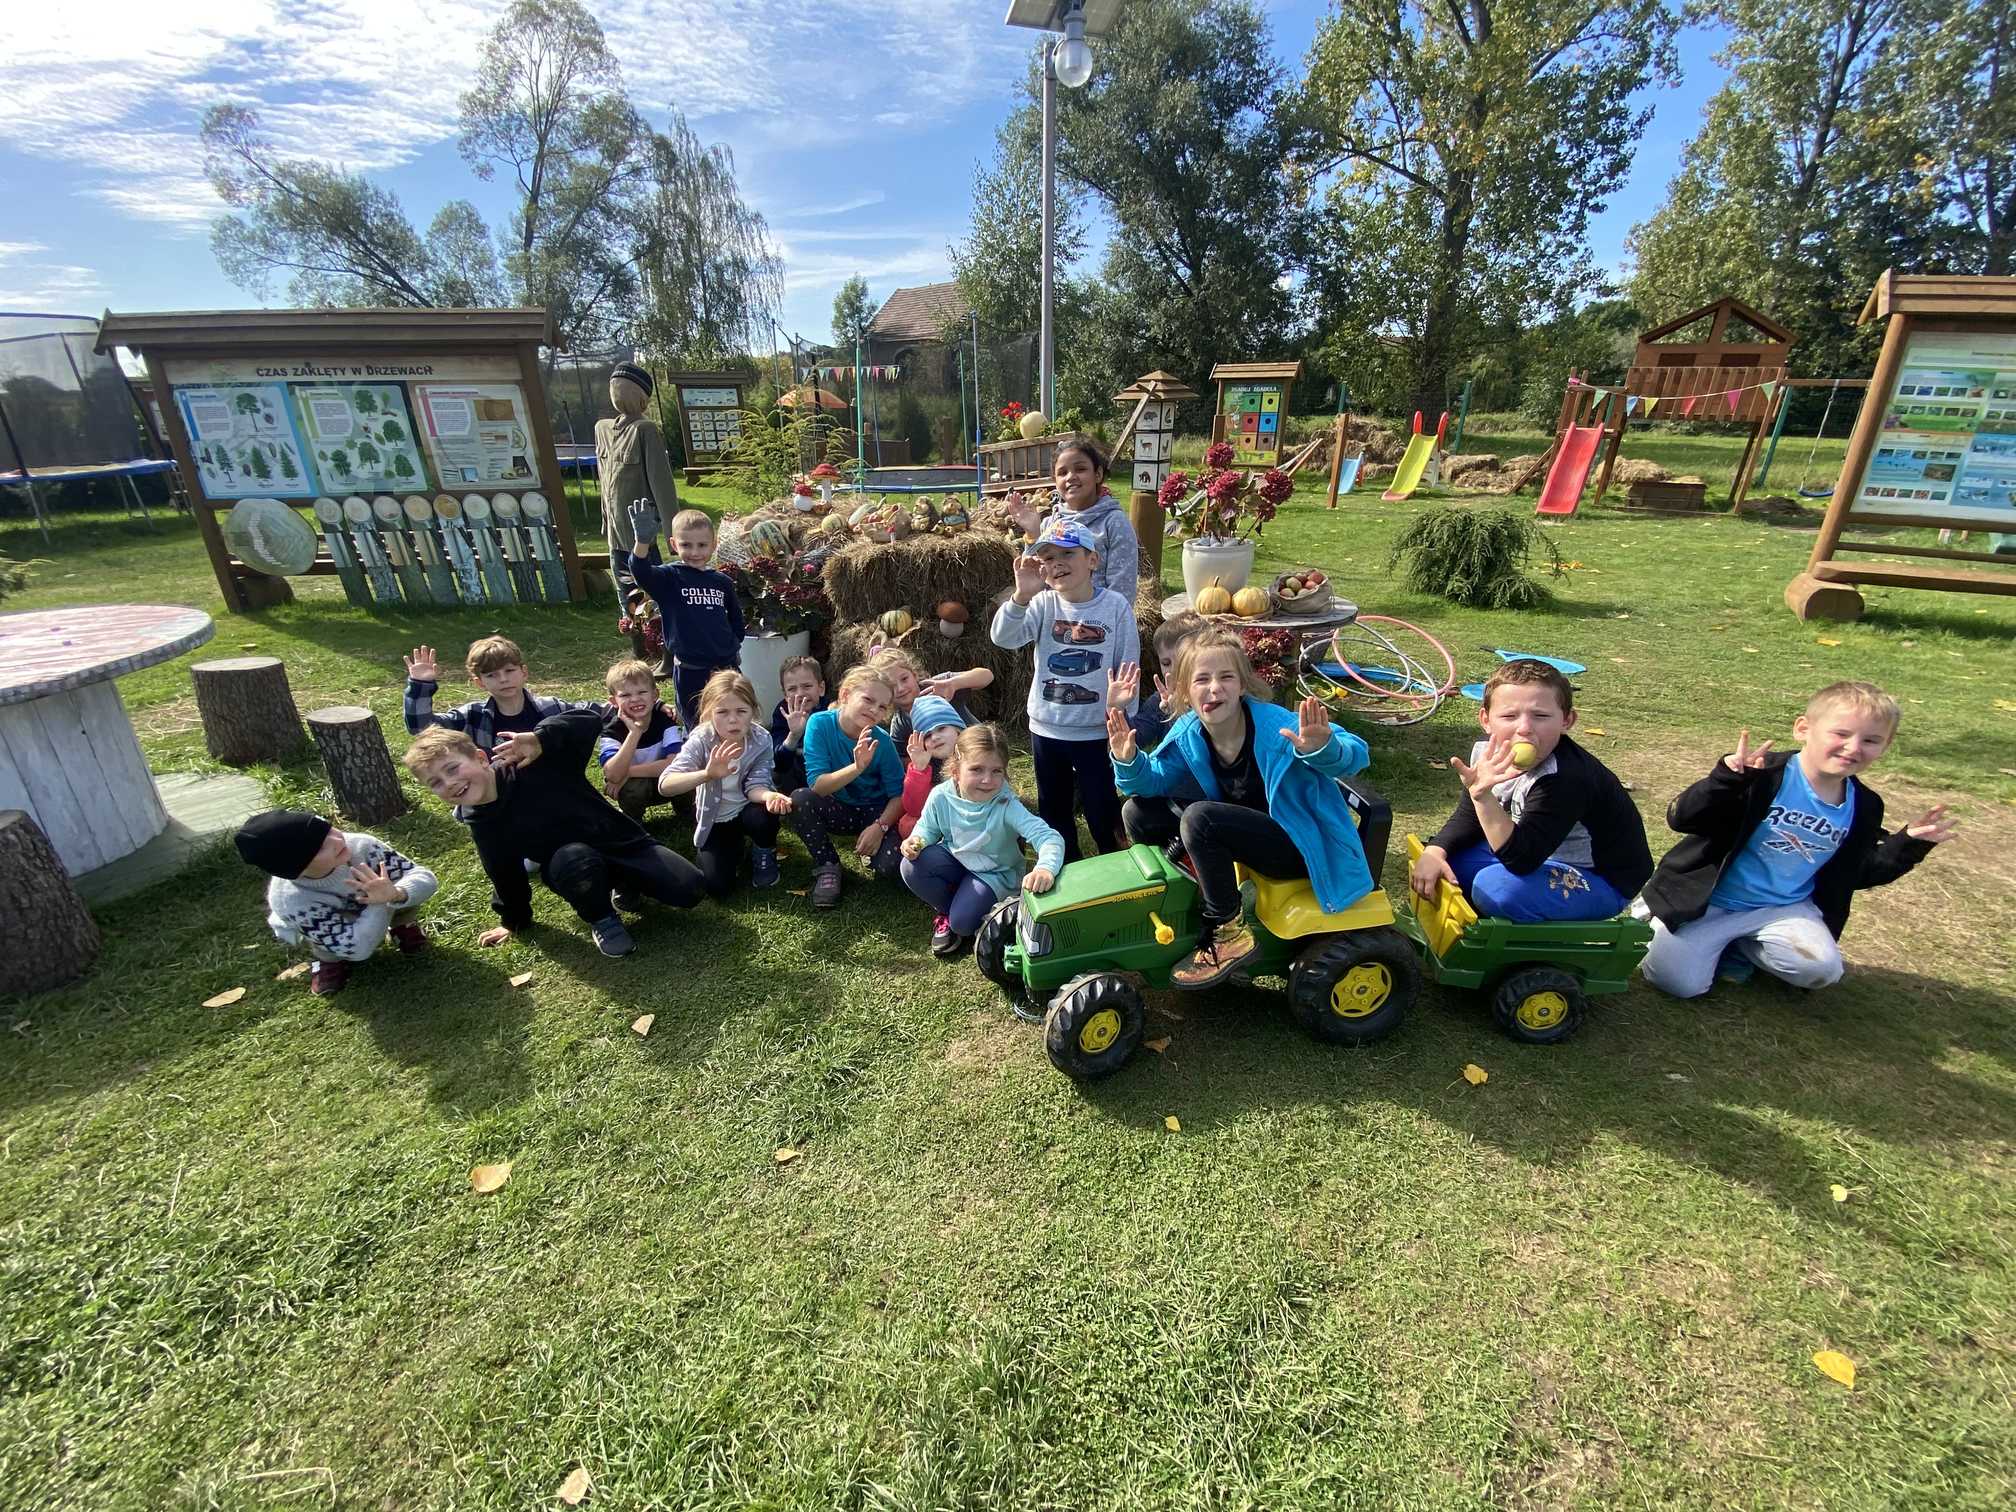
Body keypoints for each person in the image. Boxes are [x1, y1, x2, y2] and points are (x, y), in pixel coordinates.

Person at [1637, 681, 1955, 999]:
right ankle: (1665, 919)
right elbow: (1683, 819)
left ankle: (1743, 946)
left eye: (1871, 740)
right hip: (1705, 903)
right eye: (1841, 734)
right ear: (1803, 729)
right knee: (1678, 985)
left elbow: (1855, 872)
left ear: (1885, 746)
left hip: (1780, 909)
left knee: (1821, 970)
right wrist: (1726, 781)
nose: (1854, 747)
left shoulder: (1865, 805)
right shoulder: (1761, 775)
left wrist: (1908, 844)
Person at [1105, 628, 1376, 989]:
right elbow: (1152, 781)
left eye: (1226, 677)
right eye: (1202, 679)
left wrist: (1322, 748)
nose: (1214, 688)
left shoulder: (1278, 727)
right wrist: (1128, 761)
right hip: (1249, 835)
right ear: (1185, 691)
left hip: (1300, 845)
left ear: (1243, 685)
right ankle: (1181, 901)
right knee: (1138, 812)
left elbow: (1357, 755)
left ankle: (1227, 931)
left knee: (1201, 818)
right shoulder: (1190, 731)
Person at [402, 716, 704, 959]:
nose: (450, 783)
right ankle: (602, 918)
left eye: (452, 768)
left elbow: (587, 721)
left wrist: (540, 738)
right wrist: (513, 920)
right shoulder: (482, 821)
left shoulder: (532, 762)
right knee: (574, 857)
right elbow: (503, 872)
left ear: (481, 758)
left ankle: (626, 885)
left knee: (690, 890)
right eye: (436, 783)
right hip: (571, 866)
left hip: (623, 843)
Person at [1409, 660, 1652, 922]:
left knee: (1496, 890)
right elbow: (1470, 816)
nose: (1524, 728)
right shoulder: (1489, 753)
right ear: (1486, 720)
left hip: (1598, 878)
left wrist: (1482, 795)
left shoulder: (1566, 777)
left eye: (1541, 716)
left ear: (1567, 720)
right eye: (1509, 716)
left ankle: (1536, 940)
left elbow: (1521, 860)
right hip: (1536, 854)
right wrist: (1436, 850)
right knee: (1446, 861)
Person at [990, 516, 1140, 862]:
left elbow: (1127, 664)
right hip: (1048, 728)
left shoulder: (1115, 607)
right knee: (1054, 807)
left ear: (1092, 560)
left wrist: (1121, 713)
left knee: (1102, 805)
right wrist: (1021, 597)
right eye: (1048, 557)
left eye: (1067, 553)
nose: (1057, 563)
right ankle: (1065, 864)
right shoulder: (1042, 604)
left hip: (1095, 729)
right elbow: (1003, 638)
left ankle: (1115, 863)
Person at [901, 723, 1065, 957]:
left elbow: (1048, 837)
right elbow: (927, 827)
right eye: (977, 769)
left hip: (994, 873)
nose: (987, 780)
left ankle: (964, 909)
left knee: (962, 924)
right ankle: (949, 908)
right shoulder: (940, 796)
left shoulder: (1006, 805)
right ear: (956, 771)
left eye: (996, 771)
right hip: (957, 860)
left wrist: (1045, 868)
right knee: (910, 866)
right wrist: (916, 839)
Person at [234, 810, 438, 997]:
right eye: (320, 847)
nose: (337, 840)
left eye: (328, 829)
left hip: (382, 901)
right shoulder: (291, 900)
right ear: (297, 869)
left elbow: (424, 877)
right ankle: (329, 960)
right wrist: (379, 900)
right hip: (339, 927)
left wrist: (396, 893)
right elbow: (358, 950)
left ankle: (402, 925)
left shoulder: (362, 846)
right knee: (329, 945)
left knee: (405, 889)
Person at [657, 670, 795, 895]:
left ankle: (763, 851)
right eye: (722, 712)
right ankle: (734, 846)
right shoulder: (701, 740)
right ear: (709, 713)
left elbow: (756, 784)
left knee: (763, 815)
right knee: (717, 887)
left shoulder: (760, 738)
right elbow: (665, 785)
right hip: (716, 819)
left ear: (753, 711)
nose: (733, 719)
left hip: (748, 810)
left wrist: (770, 796)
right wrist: (707, 774)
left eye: (741, 711)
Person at [787, 665, 907, 908]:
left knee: (890, 866)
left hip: (875, 811)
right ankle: (828, 866)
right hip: (839, 807)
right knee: (800, 799)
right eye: (868, 700)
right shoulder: (819, 724)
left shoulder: (882, 741)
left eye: (882, 707)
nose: (874, 710)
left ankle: (869, 847)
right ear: (845, 695)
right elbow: (818, 786)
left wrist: (880, 827)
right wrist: (857, 767)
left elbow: (899, 796)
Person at [628, 505, 744, 727]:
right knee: (696, 722)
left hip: (725, 666)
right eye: (686, 545)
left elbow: (736, 618)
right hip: (691, 669)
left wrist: (732, 643)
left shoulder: (722, 582)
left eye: (702, 545)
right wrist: (642, 542)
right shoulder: (669, 578)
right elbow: (641, 571)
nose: (695, 552)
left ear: (714, 544)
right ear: (674, 544)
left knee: (732, 718)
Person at [1107, 613, 1209, 849]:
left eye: (1181, 660)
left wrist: (1184, 713)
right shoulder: (1159, 701)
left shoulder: (1215, 698)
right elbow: (1138, 736)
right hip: (1172, 795)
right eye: (1166, 663)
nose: (1172, 671)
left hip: (1212, 800)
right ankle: (1168, 859)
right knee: (1133, 810)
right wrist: (1117, 709)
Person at [1006, 437, 1140, 602]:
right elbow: (1034, 580)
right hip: (1053, 614)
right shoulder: (1049, 524)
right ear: (1055, 482)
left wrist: (1101, 615)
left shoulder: (1114, 523)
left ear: (1098, 474)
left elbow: (1123, 590)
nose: (1070, 477)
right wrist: (1033, 533)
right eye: (1062, 473)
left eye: (1080, 469)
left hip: (1099, 616)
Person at [401, 635, 575, 751]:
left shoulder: (552, 708)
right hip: (500, 791)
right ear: (480, 682)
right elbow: (421, 728)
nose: (503, 679)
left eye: (509, 671)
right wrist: (421, 685)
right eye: (492, 675)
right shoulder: (472, 715)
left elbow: (590, 713)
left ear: (524, 672)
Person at [594, 657, 685, 822]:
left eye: (642, 692)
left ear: (655, 695)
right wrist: (634, 733)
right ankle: (633, 821)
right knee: (634, 788)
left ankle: (687, 813)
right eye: (625, 695)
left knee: (686, 773)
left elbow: (675, 764)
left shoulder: (665, 720)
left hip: (666, 781)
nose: (635, 699)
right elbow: (612, 774)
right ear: (614, 701)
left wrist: (627, 772)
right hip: (636, 786)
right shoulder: (612, 730)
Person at [868, 645, 995, 750]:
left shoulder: (939, 686)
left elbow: (987, 676)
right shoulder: (900, 722)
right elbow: (900, 757)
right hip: (950, 769)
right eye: (891, 686)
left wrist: (954, 683)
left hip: (982, 748)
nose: (900, 688)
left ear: (914, 675)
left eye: (904, 679)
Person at [896, 694, 966, 841]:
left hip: (976, 817)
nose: (934, 737)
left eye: (941, 728)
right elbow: (915, 809)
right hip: (944, 820)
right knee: (908, 824)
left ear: (957, 729)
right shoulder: (928, 763)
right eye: (927, 736)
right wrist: (919, 769)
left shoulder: (976, 754)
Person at [768, 654, 830, 794]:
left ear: (821, 688)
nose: (800, 693)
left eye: (807, 686)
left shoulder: (830, 710)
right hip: (795, 775)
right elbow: (778, 764)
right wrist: (794, 735)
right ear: (785, 695)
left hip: (825, 774)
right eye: (792, 689)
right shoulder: (782, 712)